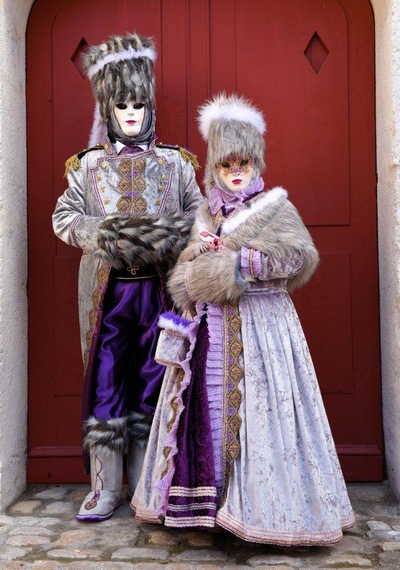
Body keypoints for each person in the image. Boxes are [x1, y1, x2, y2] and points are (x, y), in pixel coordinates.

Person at [131, 93, 355, 545]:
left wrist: (237, 265)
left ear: (255, 164)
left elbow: (297, 258)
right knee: (206, 417)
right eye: (226, 164)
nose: (235, 172)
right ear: (214, 168)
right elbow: (185, 273)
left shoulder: (275, 209)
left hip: (263, 330)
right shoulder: (206, 214)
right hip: (209, 336)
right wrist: (198, 266)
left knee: (259, 414)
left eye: (243, 164)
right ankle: (206, 512)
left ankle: (259, 512)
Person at [52, 32, 203, 522]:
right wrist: (111, 234)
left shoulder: (177, 164)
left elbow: (202, 218)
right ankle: (104, 486)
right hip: (107, 291)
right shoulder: (88, 167)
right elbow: (64, 219)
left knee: (154, 380)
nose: (132, 113)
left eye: (139, 103)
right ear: (109, 107)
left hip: (159, 292)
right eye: (122, 105)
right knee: (106, 380)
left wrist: (168, 236)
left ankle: (147, 484)